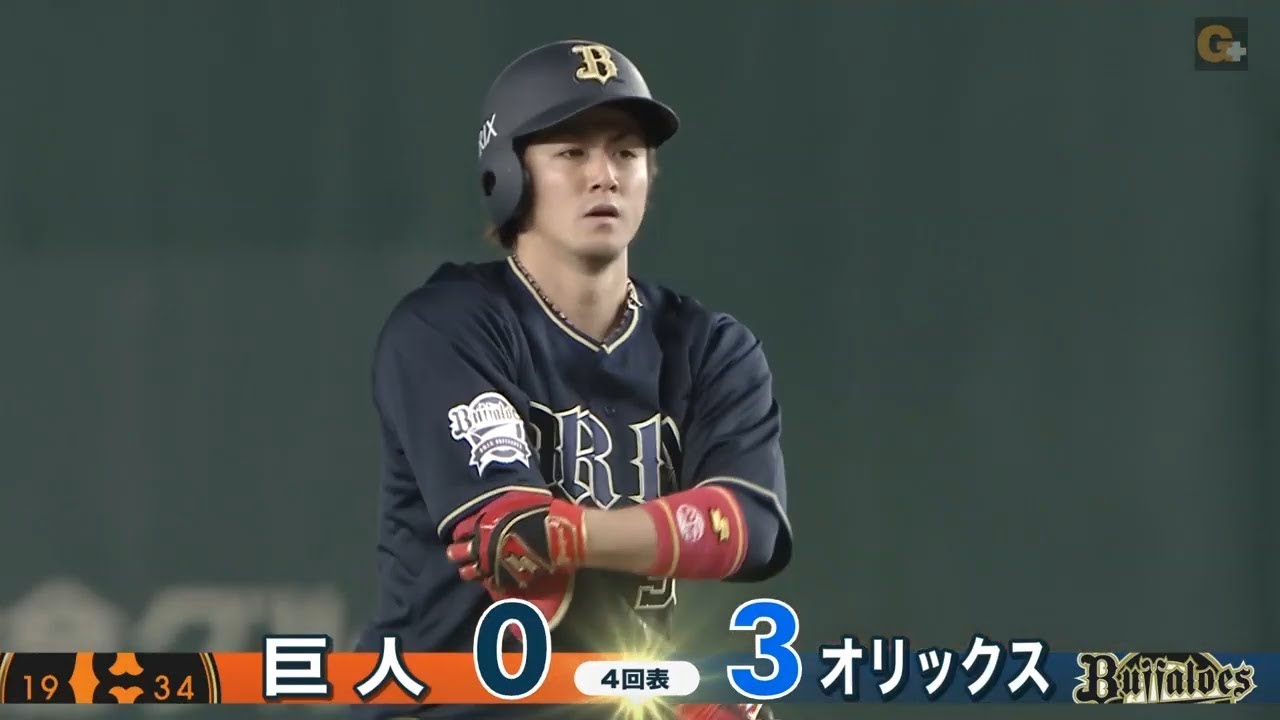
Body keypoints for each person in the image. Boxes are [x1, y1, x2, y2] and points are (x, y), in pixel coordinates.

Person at [354, 39, 792, 720]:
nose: (604, 175)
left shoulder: (710, 348)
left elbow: (750, 528)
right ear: (509, 175)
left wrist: (574, 535)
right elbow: (519, 552)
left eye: (625, 152)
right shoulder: (446, 328)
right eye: (571, 152)